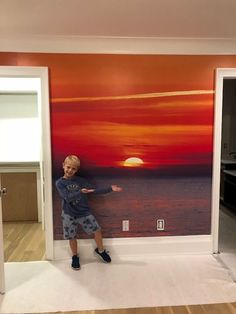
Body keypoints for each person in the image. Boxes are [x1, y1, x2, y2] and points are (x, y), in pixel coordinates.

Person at [55, 155, 122, 270]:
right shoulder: (60, 183)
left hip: (84, 213)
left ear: (77, 170)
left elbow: (94, 191)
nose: (70, 170)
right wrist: (80, 192)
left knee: (97, 230)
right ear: (63, 166)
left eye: (73, 168)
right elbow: (66, 197)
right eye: (68, 167)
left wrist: (109, 189)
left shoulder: (81, 181)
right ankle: (75, 256)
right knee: (72, 236)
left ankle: (100, 250)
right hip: (68, 214)